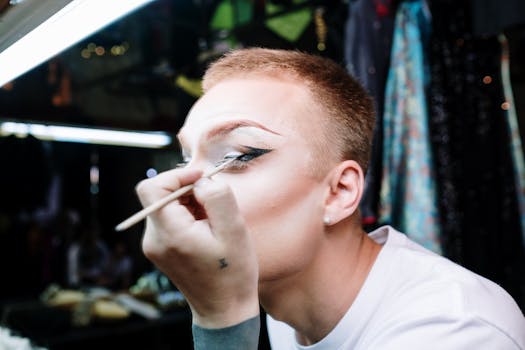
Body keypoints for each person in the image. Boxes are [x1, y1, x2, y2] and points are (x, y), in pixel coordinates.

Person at [136, 48, 525, 349]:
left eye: (235, 157)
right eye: (187, 158)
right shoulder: (285, 313)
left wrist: (221, 321)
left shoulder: (453, 329)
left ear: (339, 192)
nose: (185, 189)